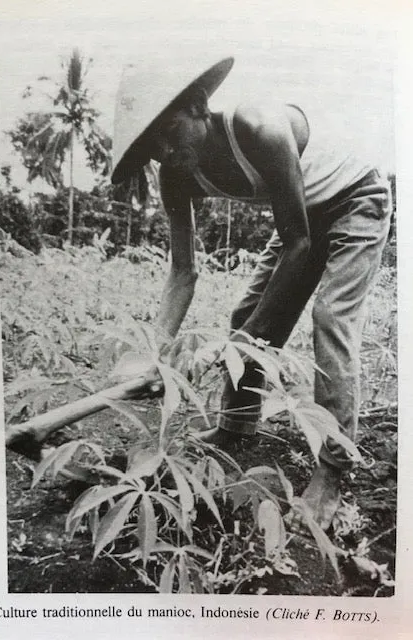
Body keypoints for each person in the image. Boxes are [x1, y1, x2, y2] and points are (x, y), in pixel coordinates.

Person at [111, 56, 391, 531]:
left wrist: (249, 337)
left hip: (354, 199)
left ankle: (332, 470)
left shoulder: (256, 125)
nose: (164, 150)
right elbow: (183, 272)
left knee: (330, 319)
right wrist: (157, 355)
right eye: (150, 144)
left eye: (168, 129)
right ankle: (235, 428)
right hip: (300, 218)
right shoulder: (175, 174)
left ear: (198, 106)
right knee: (246, 313)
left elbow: (299, 240)